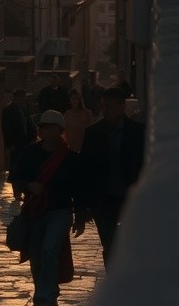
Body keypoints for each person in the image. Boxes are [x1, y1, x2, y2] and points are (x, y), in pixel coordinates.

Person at [9, 110, 85, 306]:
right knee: (36, 254)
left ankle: (46, 295)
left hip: (60, 210)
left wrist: (80, 216)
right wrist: (28, 186)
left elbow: (79, 189)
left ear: (58, 130)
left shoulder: (70, 158)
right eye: (41, 126)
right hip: (35, 211)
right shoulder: (30, 152)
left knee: (49, 248)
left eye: (48, 126)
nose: (43, 130)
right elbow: (16, 178)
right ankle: (44, 289)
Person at [77, 85, 144, 265]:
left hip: (130, 200)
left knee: (132, 244)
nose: (105, 110)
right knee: (109, 244)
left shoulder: (139, 132)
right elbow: (84, 171)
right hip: (103, 201)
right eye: (103, 106)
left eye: (110, 106)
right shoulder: (93, 133)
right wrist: (81, 208)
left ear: (122, 106)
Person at [1, 88, 37, 198]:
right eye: (22, 97)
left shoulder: (24, 109)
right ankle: (17, 192)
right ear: (16, 97)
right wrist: (9, 144)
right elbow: (6, 128)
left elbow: (29, 123)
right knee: (16, 168)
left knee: (26, 167)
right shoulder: (8, 110)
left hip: (26, 143)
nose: (24, 99)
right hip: (16, 144)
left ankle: (25, 189)